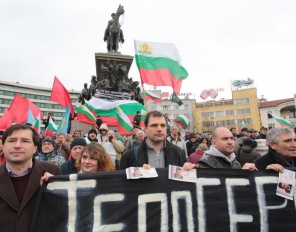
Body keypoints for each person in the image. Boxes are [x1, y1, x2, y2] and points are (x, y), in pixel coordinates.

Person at [0, 124, 61, 232]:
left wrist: (57, 190)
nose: (17, 145)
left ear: (35, 148)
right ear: (3, 145)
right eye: (12, 140)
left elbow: (62, 212)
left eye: (25, 141)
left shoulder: (52, 171)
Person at [120, 111, 195, 170]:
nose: (159, 129)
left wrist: (189, 170)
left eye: (162, 125)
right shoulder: (129, 156)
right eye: (154, 125)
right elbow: (122, 184)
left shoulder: (179, 153)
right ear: (145, 129)